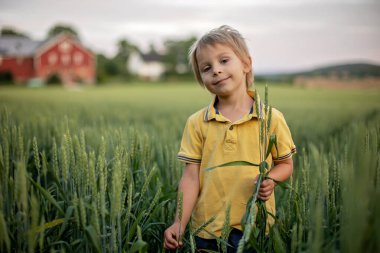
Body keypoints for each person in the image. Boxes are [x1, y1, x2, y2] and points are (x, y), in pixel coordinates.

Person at [163, 25, 296, 252]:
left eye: (224, 61)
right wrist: (179, 223)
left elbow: (285, 164)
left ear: (246, 63)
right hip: (205, 230)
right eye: (207, 68)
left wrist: (271, 180)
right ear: (201, 78)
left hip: (254, 228)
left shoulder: (271, 118)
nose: (216, 70)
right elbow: (190, 178)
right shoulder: (197, 122)